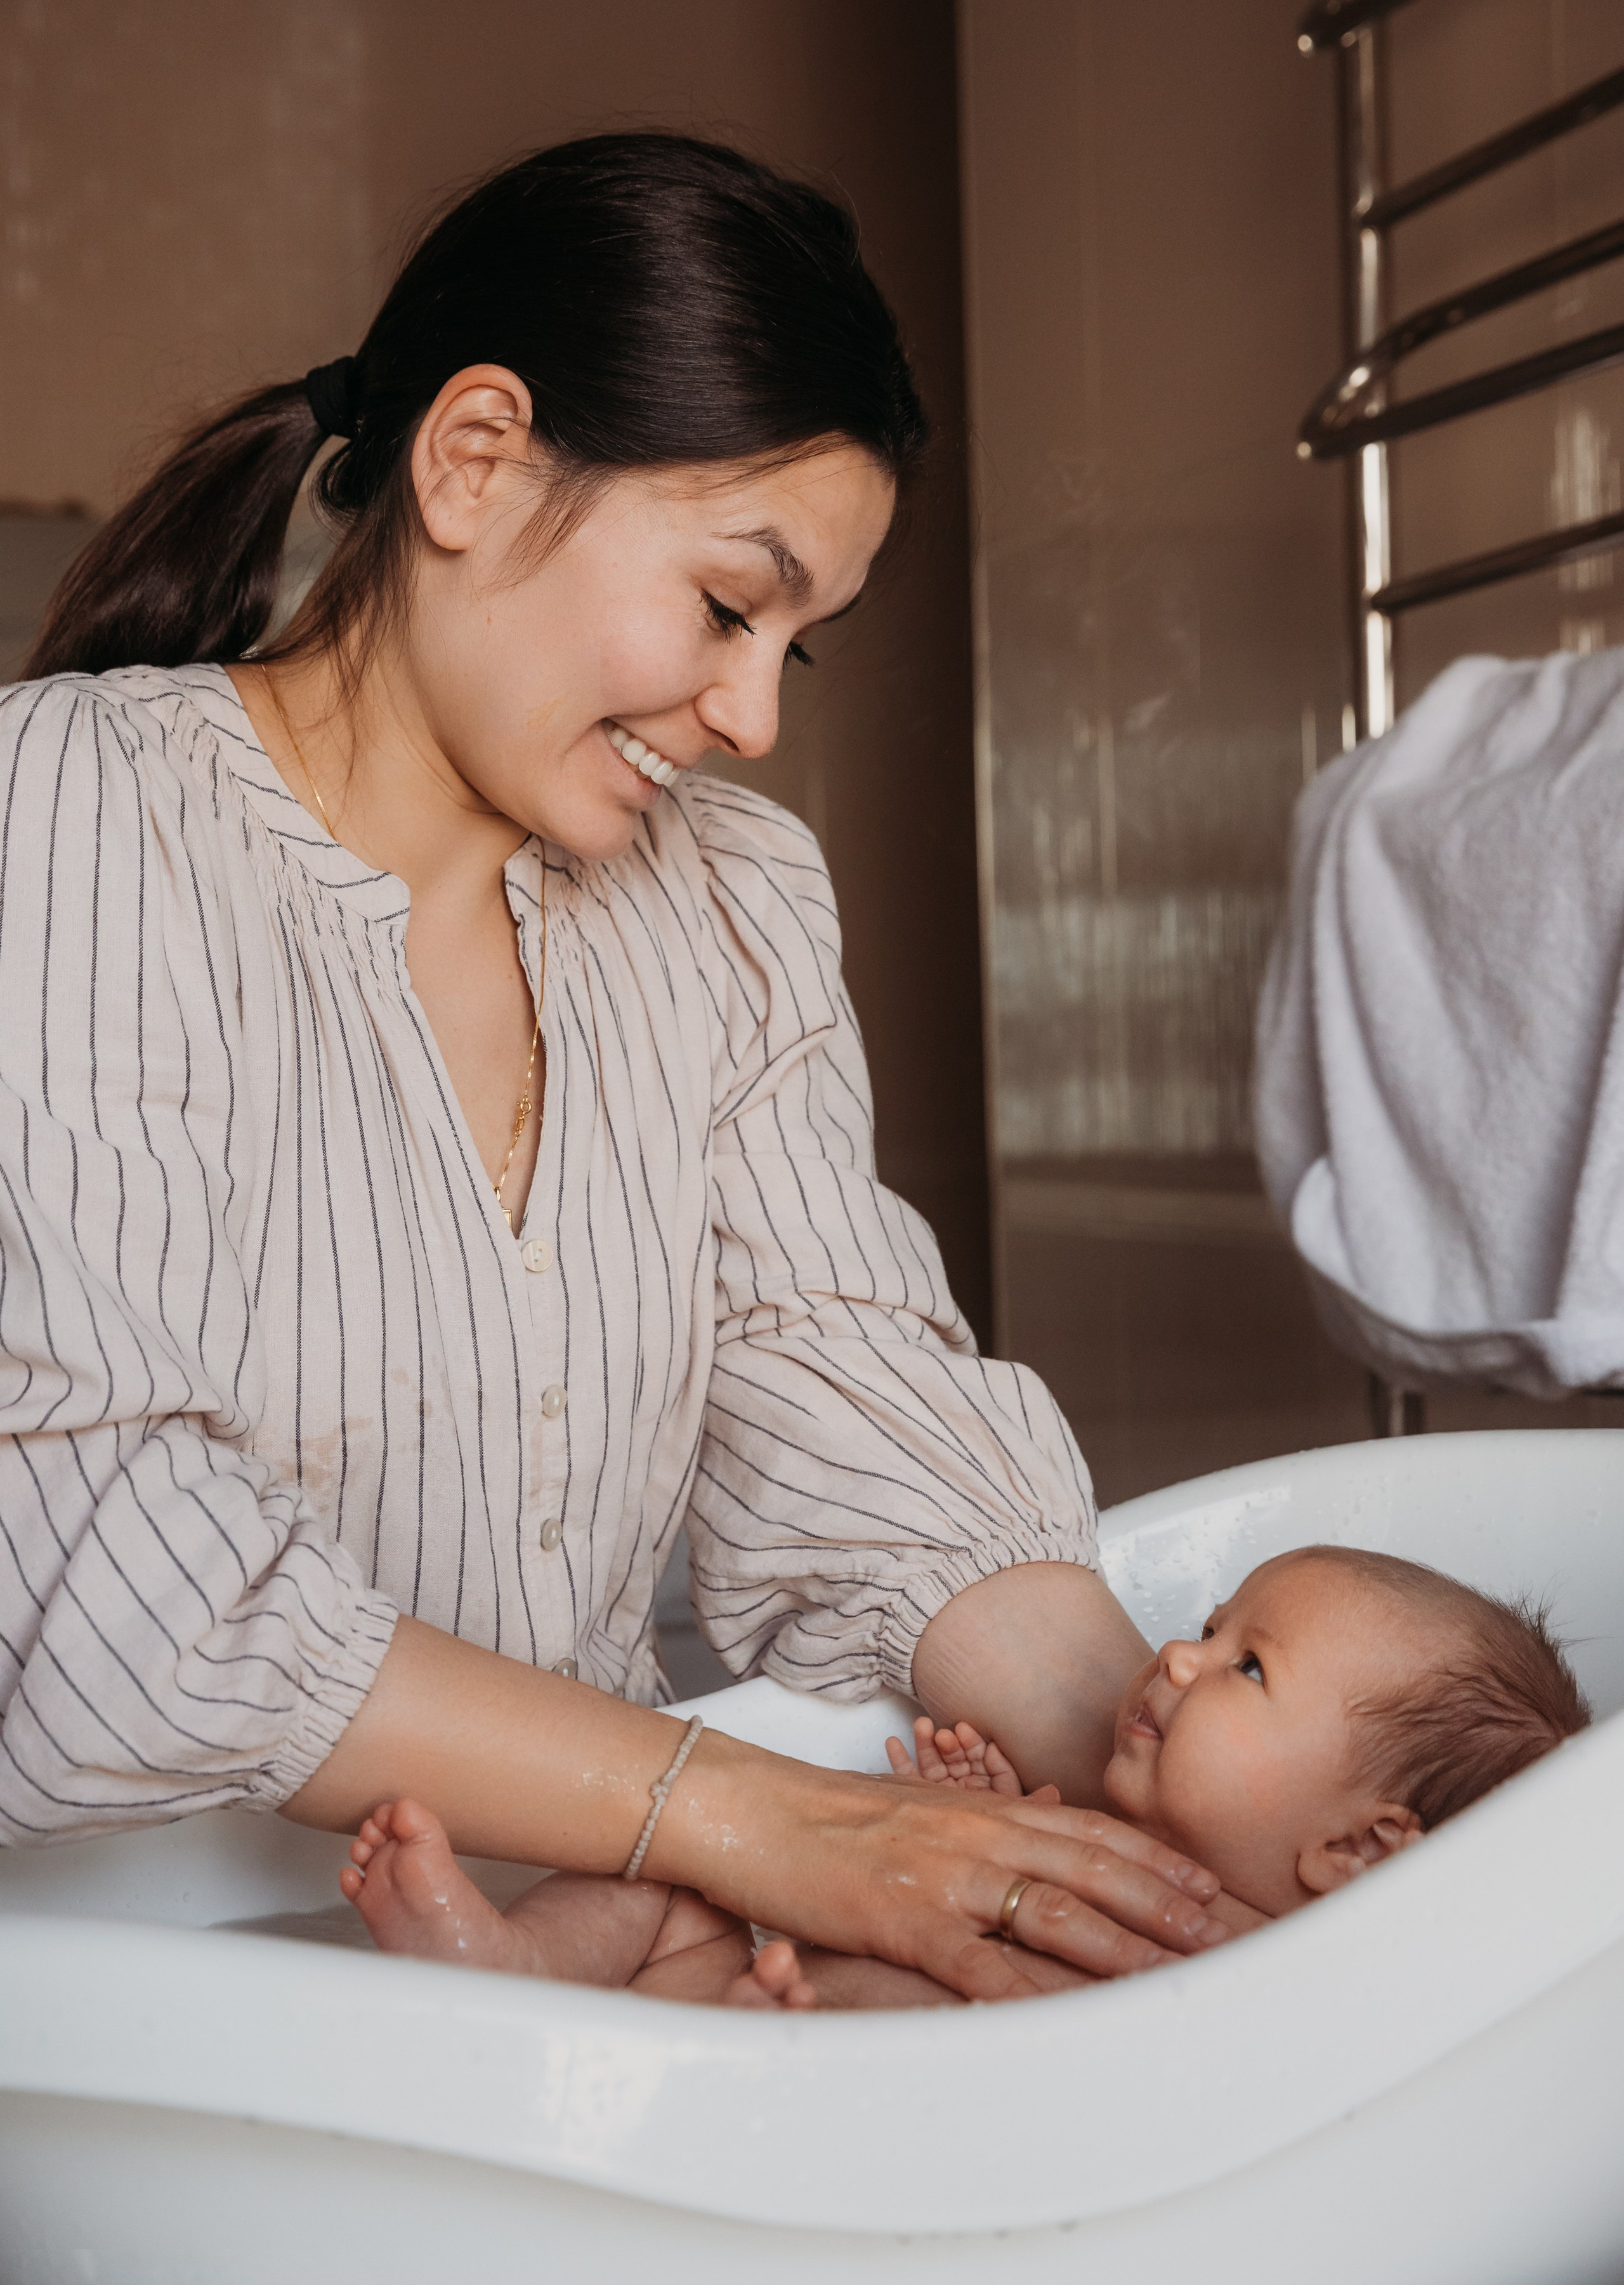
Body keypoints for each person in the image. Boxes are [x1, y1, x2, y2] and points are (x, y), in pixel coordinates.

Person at [0, 132, 1208, 1999]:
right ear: (474, 461)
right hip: (158, 2018)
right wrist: (761, 1821)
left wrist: (1203, 1805)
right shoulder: (72, 813)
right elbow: (105, 1570)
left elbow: (847, 1401)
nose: (752, 714)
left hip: (589, 1998)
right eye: (735, 604)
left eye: (803, 644)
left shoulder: (731, 902)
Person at [334, 1544, 1589, 2007]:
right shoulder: (1091, 1812)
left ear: (1356, 1851)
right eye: (1209, 1620)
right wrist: (971, 1809)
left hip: (863, 2060)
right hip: (730, 1966)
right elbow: (924, 1873)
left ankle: (772, 2069)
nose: (1176, 1653)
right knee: (670, 1872)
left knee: (928, 2027)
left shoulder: (1264, 1968)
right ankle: (518, 1970)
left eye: (1244, 1668)